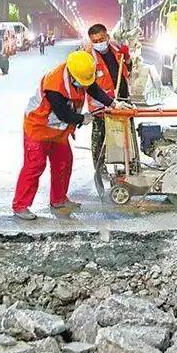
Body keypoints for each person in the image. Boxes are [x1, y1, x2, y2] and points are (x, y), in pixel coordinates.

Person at [12, 51, 119, 220]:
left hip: (58, 131)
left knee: (63, 162)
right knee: (34, 167)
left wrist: (113, 102)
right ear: (70, 72)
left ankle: (59, 199)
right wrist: (82, 118)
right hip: (38, 129)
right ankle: (20, 205)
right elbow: (62, 113)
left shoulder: (80, 74)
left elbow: (93, 89)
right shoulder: (54, 84)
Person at [86, 23, 132, 168]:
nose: (99, 43)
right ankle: (100, 168)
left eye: (101, 39)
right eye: (95, 41)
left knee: (125, 135)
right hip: (102, 105)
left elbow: (127, 69)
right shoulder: (88, 58)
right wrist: (109, 101)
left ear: (107, 36)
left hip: (123, 100)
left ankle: (129, 164)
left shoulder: (116, 50)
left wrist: (128, 58)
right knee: (100, 137)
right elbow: (89, 86)